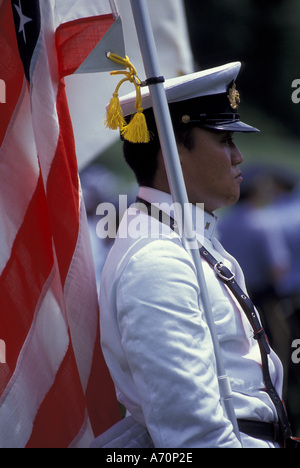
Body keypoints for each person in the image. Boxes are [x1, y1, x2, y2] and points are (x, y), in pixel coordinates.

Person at [98, 62, 293, 448]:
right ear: (172, 153)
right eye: (224, 141)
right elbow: (194, 437)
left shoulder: (183, 237)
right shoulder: (157, 261)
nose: (239, 158)